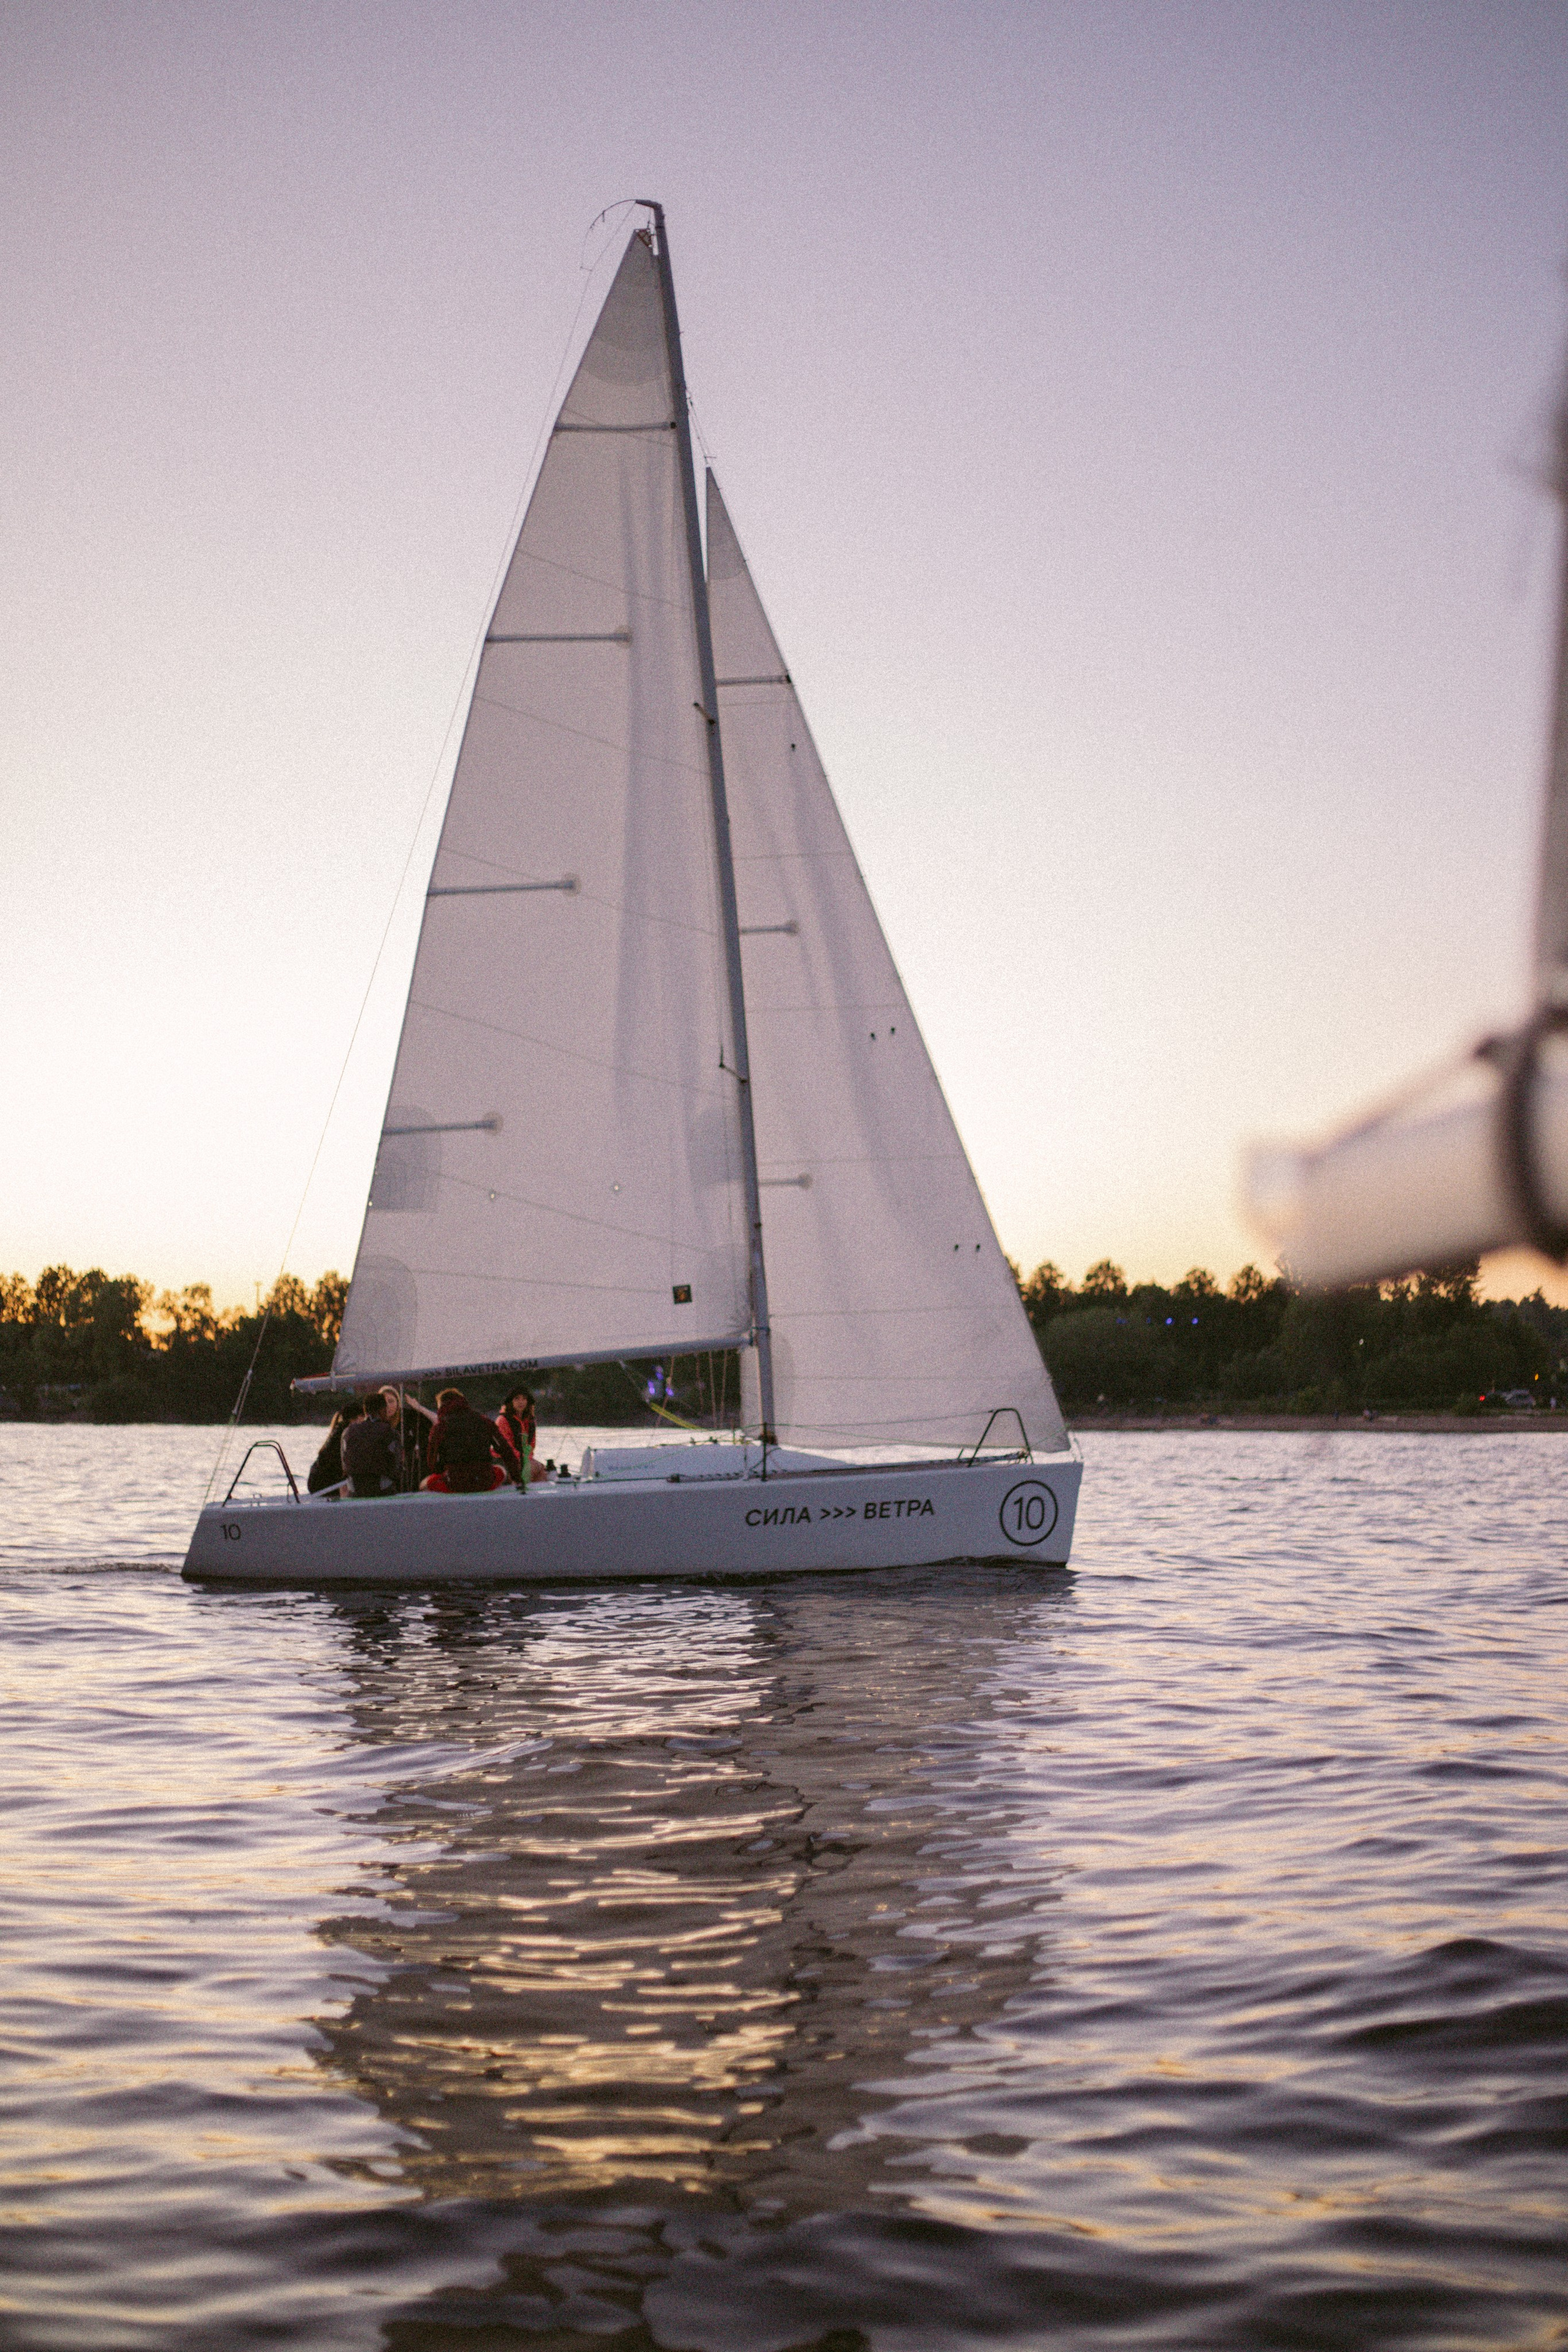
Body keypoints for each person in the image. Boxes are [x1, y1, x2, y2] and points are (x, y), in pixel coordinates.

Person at [421, 1387, 508, 1494]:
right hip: (484, 1482)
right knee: (501, 1470)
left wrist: (443, 1470)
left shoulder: (440, 1427)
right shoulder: (482, 1420)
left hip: (455, 1484)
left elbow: (432, 1464)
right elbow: (504, 1449)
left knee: (426, 1484)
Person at [341, 1390, 403, 1498]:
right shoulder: (391, 1433)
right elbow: (396, 1468)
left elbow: (345, 1465)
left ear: (365, 1411)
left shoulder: (348, 1432)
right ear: (383, 1410)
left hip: (355, 1491)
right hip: (383, 1490)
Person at [307, 1398, 362, 1495]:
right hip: (323, 1485)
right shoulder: (347, 1435)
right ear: (357, 1419)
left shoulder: (339, 1431)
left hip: (316, 1482)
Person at [495, 1385, 537, 1487]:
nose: (521, 1402)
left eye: (524, 1399)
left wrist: (528, 1459)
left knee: (542, 1470)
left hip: (522, 1459)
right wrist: (525, 1460)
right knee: (536, 1468)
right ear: (511, 1402)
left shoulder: (530, 1421)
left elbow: (531, 1445)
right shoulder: (503, 1420)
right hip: (503, 1461)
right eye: (517, 1399)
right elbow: (506, 1448)